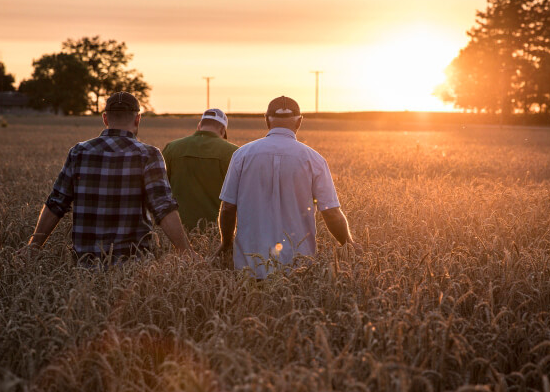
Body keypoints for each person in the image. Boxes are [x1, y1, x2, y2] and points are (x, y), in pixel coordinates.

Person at [21, 91, 193, 264]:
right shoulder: (148, 155)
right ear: (137, 119)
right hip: (132, 267)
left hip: (84, 268)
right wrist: (185, 250)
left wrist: (34, 245)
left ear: (105, 119)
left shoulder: (79, 152)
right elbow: (163, 207)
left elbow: (56, 203)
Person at [215, 95, 358, 278]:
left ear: (266, 119)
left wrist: (226, 243)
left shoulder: (241, 155)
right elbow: (331, 212)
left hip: (249, 265)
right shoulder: (314, 159)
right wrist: (348, 243)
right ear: (299, 122)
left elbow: (228, 207)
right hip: (298, 266)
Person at [163, 108, 238, 230]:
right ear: (222, 130)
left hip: (176, 233)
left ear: (199, 126)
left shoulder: (172, 148)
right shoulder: (234, 153)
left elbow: (160, 192)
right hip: (217, 233)